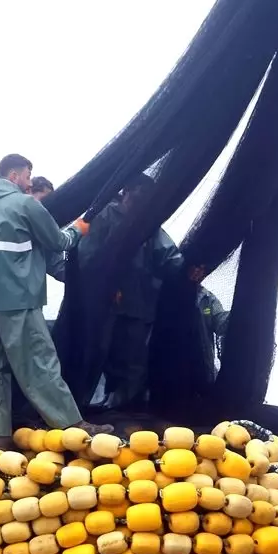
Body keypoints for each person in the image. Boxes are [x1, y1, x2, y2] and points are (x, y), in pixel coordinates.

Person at [0, 154, 110, 448]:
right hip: (14, 298)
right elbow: (59, 242)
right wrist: (80, 228)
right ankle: (72, 426)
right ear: (13, 175)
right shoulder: (24, 205)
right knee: (36, 363)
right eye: (27, 176)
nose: (28, 183)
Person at [79, 173, 183, 408]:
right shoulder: (105, 216)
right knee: (98, 351)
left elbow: (168, 255)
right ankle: (88, 401)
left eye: (147, 198)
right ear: (126, 193)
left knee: (133, 357)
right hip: (105, 303)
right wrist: (104, 286)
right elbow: (87, 256)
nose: (142, 201)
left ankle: (126, 404)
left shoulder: (149, 223)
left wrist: (189, 267)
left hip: (139, 302)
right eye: (138, 195)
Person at [189, 265, 229, 381]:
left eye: (202, 269)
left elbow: (221, 325)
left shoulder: (208, 299)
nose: (197, 272)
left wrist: (239, 311)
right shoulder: (169, 291)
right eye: (195, 266)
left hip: (201, 369)